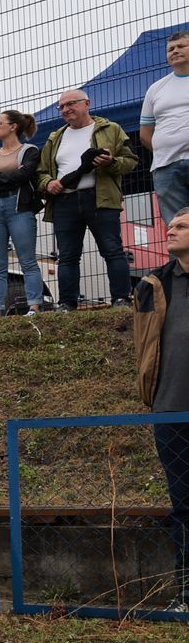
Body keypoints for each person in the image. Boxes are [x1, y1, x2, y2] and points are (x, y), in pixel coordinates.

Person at [37, 88, 138, 310]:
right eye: (61, 106)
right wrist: (48, 183)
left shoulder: (111, 129)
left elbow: (130, 161)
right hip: (65, 200)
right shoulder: (56, 137)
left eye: (70, 103)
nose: (65, 109)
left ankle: (121, 299)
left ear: (87, 104)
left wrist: (110, 163)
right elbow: (42, 171)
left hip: (99, 197)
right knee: (67, 256)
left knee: (112, 250)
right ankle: (66, 304)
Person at [134, 210, 189, 610]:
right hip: (171, 410)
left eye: (181, 227)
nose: (169, 231)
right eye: (170, 227)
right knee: (183, 505)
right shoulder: (156, 284)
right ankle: (186, 589)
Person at [0, 109, 46, 316]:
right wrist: (7, 178)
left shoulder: (29, 151)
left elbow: (25, 174)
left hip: (19, 207)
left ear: (13, 127)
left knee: (27, 259)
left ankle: (34, 306)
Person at [141, 30, 189, 222]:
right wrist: (165, 149)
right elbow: (146, 133)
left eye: (181, 46)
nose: (175, 51)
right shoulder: (155, 89)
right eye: (170, 49)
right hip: (165, 165)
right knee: (176, 225)